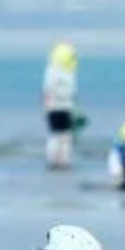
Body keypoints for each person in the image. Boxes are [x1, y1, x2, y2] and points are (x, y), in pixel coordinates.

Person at [43, 41, 78, 169]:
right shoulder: (53, 71)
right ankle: (54, 160)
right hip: (55, 107)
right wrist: (48, 106)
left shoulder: (68, 72)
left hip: (65, 107)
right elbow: (48, 91)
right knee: (57, 135)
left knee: (65, 135)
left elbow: (72, 93)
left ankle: (63, 160)